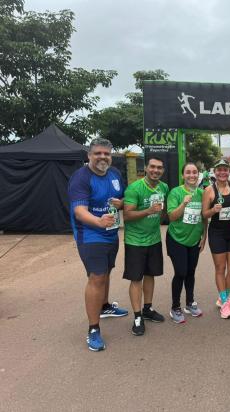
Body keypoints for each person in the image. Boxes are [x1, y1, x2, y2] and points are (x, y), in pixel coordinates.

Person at [68, 137, 128, 351]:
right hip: (90, 234)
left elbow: (121, 198)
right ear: (89, 155)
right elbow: (79, 210)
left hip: (111, 233)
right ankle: (93, 328)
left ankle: (105, 306)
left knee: (107, 271)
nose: (103, 157)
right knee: (97, 276)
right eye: (98, 153)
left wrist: (121, 203)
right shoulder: (81, 178)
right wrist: (98, 221)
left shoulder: (115, 174)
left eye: (106, 154)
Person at [122, 156, 169, 336]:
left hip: (154, 239)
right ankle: (137, 316)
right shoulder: (135, 188)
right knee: (136, 278)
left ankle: (148, 309)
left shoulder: (163, 187)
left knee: (150, 275)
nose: (156, 170)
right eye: (153, 167)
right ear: (146, 168)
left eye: (159, 168)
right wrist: (149, 211)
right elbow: (127, 215)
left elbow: (164, 211)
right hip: (135, 241)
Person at [166, 163, 208, 324]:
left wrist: (204, 237)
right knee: (181, 272)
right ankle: (175, 307)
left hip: (194, 240)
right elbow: (171, 217)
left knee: (191, 272)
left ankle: (190, 303)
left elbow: (204, 217)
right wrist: (183, 204)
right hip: (176, 239)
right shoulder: (175, 192)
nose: (192, 175)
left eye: (195, 172)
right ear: (183, 175)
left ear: (198, 175)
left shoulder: (202, 193)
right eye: (188, 172)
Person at [202, 159, 230, 319]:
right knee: (220, 269)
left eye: (225, 169)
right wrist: (213, 210)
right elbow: (204, 214)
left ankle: (223, 297)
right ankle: (224, 303)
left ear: (229, 171)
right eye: (219, 170)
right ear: (214, 172)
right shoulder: (209, 191)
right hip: (217, 233)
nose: (222, 172)